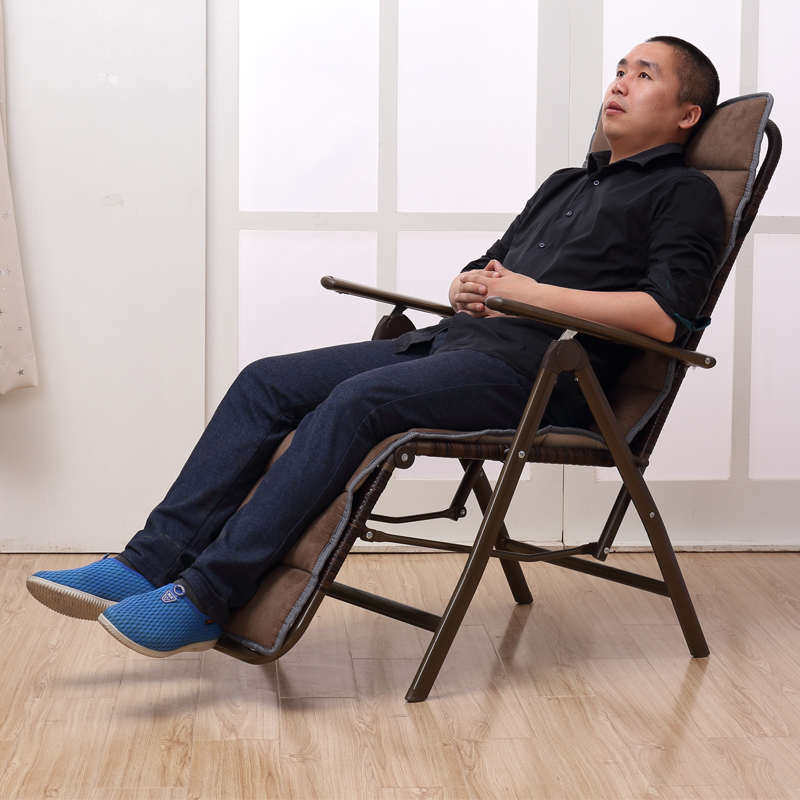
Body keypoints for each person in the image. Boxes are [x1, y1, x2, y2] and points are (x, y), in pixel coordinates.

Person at [26, 35, 725, 659]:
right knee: (266, 380)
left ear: (686, 114)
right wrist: (467, 285)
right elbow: (493, 264)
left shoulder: (684, 193)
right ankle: (147, 562)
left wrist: (532, 295)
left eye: (645, 75)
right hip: (454, 345)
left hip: (542, 376)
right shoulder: (566, 183)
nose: (619, 82)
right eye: (619, 69)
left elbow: (664, 317)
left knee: (360, 401)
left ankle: (205, 598)